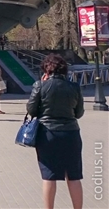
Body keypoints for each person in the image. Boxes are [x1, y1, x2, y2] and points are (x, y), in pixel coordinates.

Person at [27, 54, 84, 209]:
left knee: (49, 176)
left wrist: (40, 89)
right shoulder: (74, 87)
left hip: (47, 134)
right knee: (73, 176)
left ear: (46, 69)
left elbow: (31, 110)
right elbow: (79, 113)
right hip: (71, 134)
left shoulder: (40, 85)